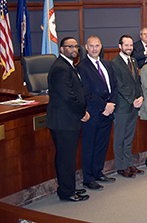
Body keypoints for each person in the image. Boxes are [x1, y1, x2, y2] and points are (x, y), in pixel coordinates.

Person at [47, 37, 90, 202]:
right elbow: (68, 97)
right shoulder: (60, 68)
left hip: (69, 120)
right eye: (69, 46)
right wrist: (82, 113)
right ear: (61, 49)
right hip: (64, 121)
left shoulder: (68, 65)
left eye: (76, 47)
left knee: (69, 156)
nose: (74, 49)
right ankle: (66, 192)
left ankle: (68, 187)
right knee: (65, 157)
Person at [77, 36, 118, 190]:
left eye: (97, 46)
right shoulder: (82, 67)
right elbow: (86, 92)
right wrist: (104, 106)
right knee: (89, 146)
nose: (94, 49)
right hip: (93, 112)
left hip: (108, 112)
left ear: (101, 46)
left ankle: (98, 172)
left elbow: (115, 85)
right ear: (86, 48)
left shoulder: (107, 64)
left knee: (102, 144)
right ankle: (88, 178)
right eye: (91, 46)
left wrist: (112, 104)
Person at [110, 35, 144, 178]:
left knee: (129, 137)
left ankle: (129, 163)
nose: (129, 47)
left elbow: (137, 81)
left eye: (131, 45)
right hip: (122, 106)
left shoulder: (134, 61)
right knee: (120, 138)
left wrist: (141, 96)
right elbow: (119, 85)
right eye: (126, 45)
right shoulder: (114, 63)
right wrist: (132, 100)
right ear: (120, 46)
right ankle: (121, 166)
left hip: (134, 105)